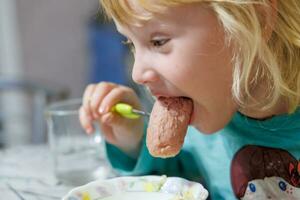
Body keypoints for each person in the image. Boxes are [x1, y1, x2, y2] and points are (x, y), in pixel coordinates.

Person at [79, 0, 300, 199]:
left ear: (257, 18)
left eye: (158, 42)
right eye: (130, 43)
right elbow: (178, 183)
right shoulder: (207, 111)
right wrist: (133, 140)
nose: (137, 74)